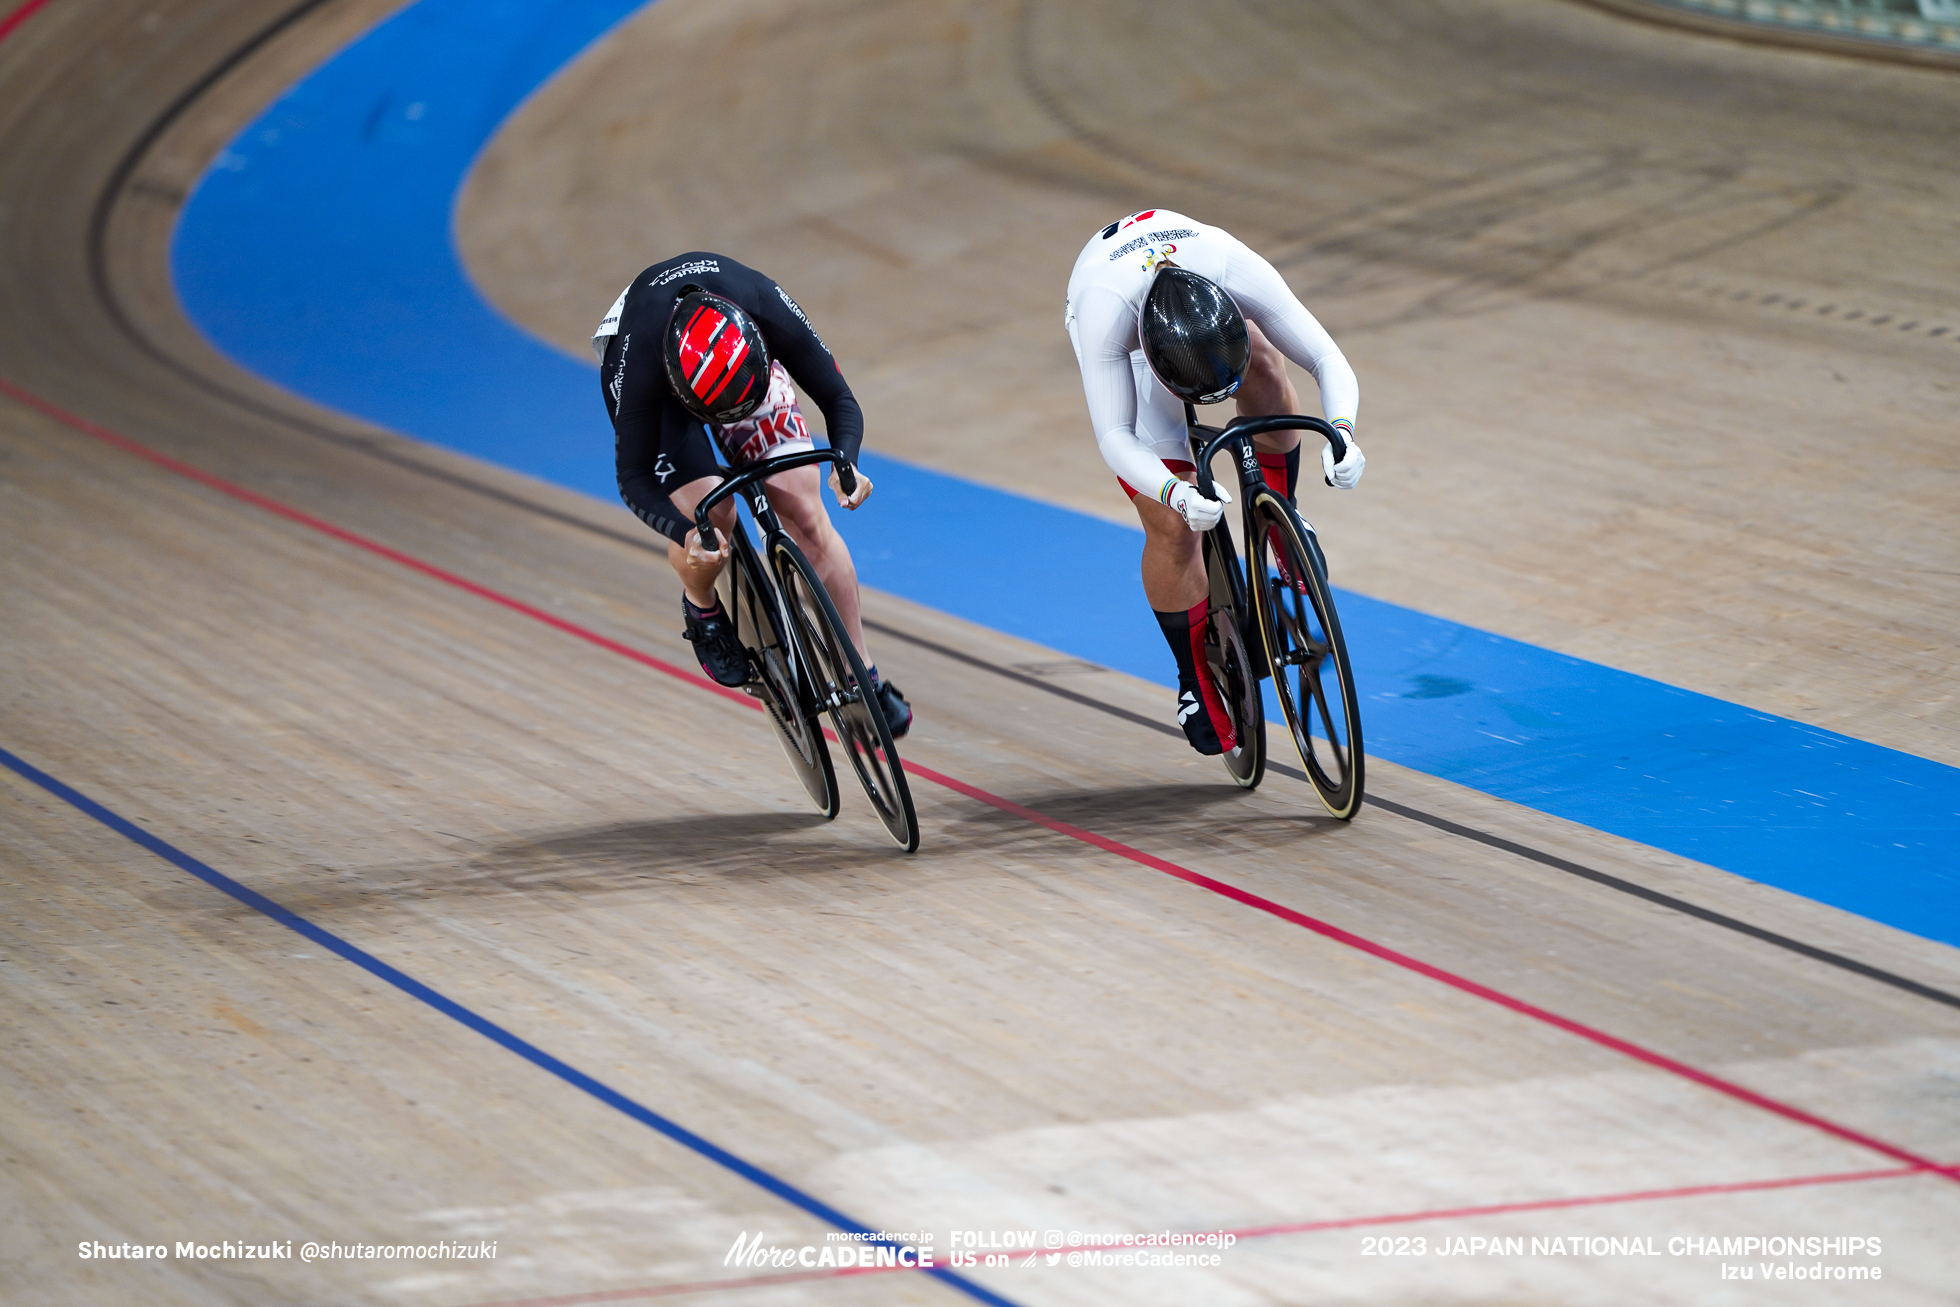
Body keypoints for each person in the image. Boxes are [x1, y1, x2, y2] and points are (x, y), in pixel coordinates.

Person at [1065, 209, 1364, 756]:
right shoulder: (1105, 317)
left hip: (1199, 291)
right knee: (1174, 528)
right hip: (1124, 321)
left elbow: (1326, 357)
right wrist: (1175, 492)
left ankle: (1280, 516)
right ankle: (1192, 676)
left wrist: (1342, 431)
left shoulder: (1232, 267)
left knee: (1268, 369)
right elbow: (1115, 437)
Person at [594, 252, 910, 735]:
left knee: (804, 509)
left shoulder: (761, 301)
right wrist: (685, 531)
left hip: (735, 370)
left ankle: (859, 673)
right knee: (711, 519)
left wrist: (846, 462)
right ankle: (700, 607)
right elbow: (633, 480)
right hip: (663, 398)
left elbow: (839, 399)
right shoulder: (634, 370)